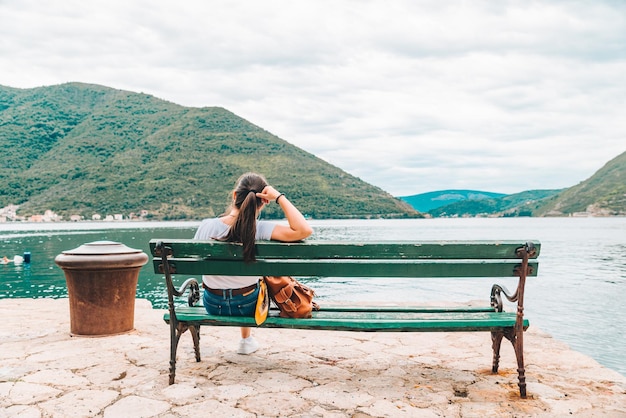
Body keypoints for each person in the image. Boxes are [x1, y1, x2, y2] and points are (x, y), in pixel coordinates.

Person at [193, 172, 313, 354]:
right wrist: (279, 197)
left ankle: (245, 340)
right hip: (247, 306)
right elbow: (304, 230)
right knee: (258, 281)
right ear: (263, 202)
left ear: (235, 196)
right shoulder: (262, 229)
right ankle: (245, 340)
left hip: (213, 304)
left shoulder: (206, 226)